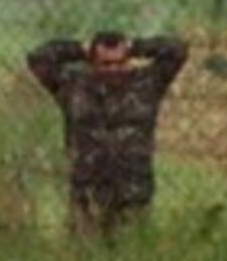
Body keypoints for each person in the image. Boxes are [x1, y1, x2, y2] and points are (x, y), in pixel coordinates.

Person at [27, 31, 190, 236]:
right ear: (92, 63)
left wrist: (136, 47)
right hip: (87, 193)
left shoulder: (146, 84)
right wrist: (79, 49)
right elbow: (38, 58)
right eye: (105, 64)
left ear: (128, 61)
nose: (113, 70)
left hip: (133, 191)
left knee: (133, 253)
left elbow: (178, 51)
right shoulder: (74, 85)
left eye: (119, 63)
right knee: (85, 257)